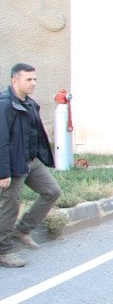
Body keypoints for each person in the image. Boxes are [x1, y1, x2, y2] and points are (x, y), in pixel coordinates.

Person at [0, 63, 61, 268]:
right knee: (11, 206)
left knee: (52, 191)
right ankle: (3, 251)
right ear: (14, 80)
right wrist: (3, 172)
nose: (33, 83)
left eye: (35, 79)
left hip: (30, 161)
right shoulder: (4, 104)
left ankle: (22, 230)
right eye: (29, 79)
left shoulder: (29, 103)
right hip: (13, 164)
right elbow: (2, 141)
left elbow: (34, 135)